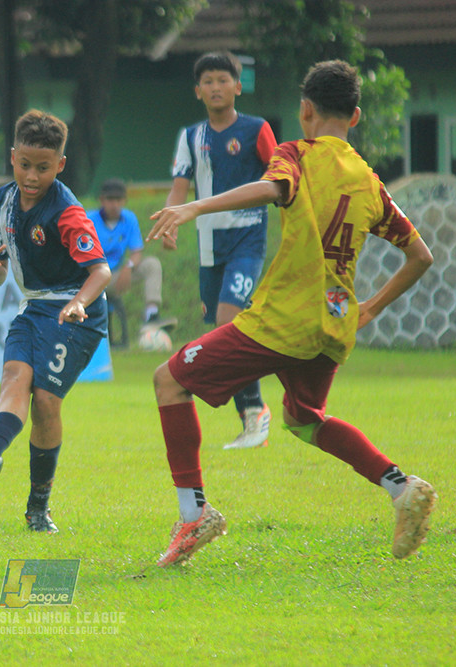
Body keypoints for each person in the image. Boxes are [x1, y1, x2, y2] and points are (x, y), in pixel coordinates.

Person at [146, 60, 437, 566]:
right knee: (304, 419)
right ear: (356, 116)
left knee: (168, 381)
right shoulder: (369, 181)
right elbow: (420, 256)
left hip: (282, 321)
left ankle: (194, 514)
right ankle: (401, 486)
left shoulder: (295, 154)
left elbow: (274, 188)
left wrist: (194, 207)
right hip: (332, 324)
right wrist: (367, 308)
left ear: (305, 111)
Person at [0, 109, 112, 535]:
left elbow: (101, 271)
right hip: (33, 306)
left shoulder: (67, 212)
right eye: (25, 165)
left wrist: (77, 305)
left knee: (46, 403)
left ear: (61, 166)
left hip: (77, 311)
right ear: (12, 157)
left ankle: (38, 508)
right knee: (14, 377)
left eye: (44, 168)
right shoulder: (0, 203)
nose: (33, 176)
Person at [164, 51, 278, 450]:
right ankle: (252, 417)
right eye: (207, 81)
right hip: (210, 247)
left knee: (229, 324)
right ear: (198, 91)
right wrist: (171, 220)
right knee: (222, 333)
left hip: (247, 240)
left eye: (222, 80)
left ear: (238, 86)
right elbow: (181, 185)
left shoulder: (257, 129)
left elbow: (280, 179)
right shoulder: (191, 136)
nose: (215, 87)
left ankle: (256, 413)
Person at [88, 178, 177, 334]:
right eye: (110, 199)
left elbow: (136, 252)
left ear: (124, 200)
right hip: (91, 279)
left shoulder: (129, 219)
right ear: (102, 200)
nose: (114, 204)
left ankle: (151, 315)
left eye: (118, 199)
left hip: (115, 276)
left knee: (151, 264)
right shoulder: (89, 220)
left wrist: (128, 266)